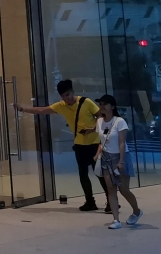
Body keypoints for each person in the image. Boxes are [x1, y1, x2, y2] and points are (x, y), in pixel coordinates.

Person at [15, 79, 110, 212]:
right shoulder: (61, 106)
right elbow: (42, 110)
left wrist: (92, 129)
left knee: (99, 173)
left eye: (68, 95)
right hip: (79, 144)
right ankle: (90, 201)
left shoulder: (85, 102)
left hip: (94, 143)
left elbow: (101, 117)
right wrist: (23, 109)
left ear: (72, 92)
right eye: (64, 96)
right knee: (83, 174)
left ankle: (111, 201)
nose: (67, 99)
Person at [96, 95, 143, 230]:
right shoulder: (99, 121)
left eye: (105, 104)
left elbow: (122, 142)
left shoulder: (120, 121)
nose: (102, 106)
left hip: (120, 157)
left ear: (113, 106)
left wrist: (121, 161)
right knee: (111, 189)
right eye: (101, 104)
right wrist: (98, 153)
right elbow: (102, 141)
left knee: (123, 189)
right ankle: (116, 219)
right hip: (106, 158)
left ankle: (137, 211)